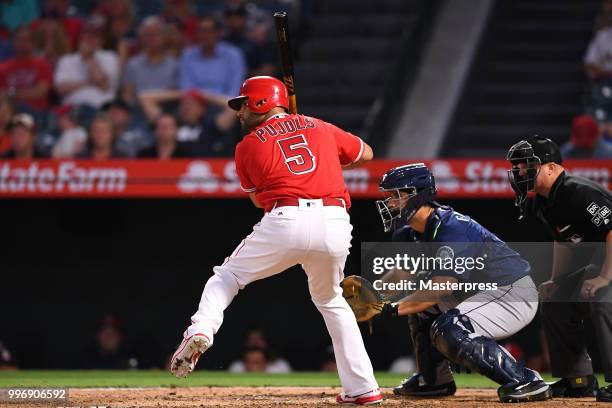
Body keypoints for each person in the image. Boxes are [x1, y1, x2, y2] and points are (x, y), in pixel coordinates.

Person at [170, 76, 382, 405]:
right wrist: (315, 137)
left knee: (227, 276)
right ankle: (363, 389)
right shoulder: (320, 127)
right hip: (335, 222)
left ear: (261, 103)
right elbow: (366, 154)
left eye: (244, 104)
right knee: (332, 301)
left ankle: (201, 330)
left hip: (287, 220)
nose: (240, 112)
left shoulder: (247, 146)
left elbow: (258, 201)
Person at [371, 163, 551, 403]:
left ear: (419, 195)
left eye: (396, 195)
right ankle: (434, 380)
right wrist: (372, 295)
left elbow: (441, 287)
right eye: (388, 196)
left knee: (448, 326)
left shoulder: (451, 227)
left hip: (511, 292)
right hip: (474, 294)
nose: (390, 203)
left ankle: (526, 380)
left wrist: (390, 307)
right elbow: (402, 274)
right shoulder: (407, 233)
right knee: (423, 312)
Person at [506, 136, 612, 402]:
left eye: (528, 164)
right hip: (601, 264)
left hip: (607, 266)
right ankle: (578, 379)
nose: (520, 171)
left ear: (551, 167)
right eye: (517, 166)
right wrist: (557, 280)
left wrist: (604, 277)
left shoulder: (579, 192)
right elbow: (563, 241)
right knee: (555, 298)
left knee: (604, 299)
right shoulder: (544, 201)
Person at [54, 17, 120, 109]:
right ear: (81, 36)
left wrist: (90, 58)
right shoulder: (66, 60)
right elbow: (61, 89)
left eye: (95, 36)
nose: (90, 39)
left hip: (100, 107)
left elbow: (103, 85)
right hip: (72, 108)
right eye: (87, 34)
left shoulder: (110, 57)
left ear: (102, 39)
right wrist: (88, 83)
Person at [179, 16, 246, 98]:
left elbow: (235, 87)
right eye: (201, 31)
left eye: (209, 31)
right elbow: (186, 87)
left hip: (224, 102)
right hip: (196, 103)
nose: (204, 35)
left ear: (218, 32)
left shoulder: (233, 55)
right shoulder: (188, 55)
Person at [122, 17, 178, 104]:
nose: (152, 38)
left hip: (166, 110)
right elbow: (127, 94)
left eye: (156, 34)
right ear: (142, 38)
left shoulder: (174, 66)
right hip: (138, 111)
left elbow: (176, 95)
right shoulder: (133, 64)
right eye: (148, 34)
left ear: (164, 37)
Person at [0, 26, 53, 112]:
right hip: (9, 112)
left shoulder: (43, 64)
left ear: (33, 42)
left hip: (37, 111)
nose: (22, 43)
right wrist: (27, 93)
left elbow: (40, 92)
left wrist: (12, 93)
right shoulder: (2, 67)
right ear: (13, 42)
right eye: (19, 39)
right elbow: (1, 95)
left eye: (26, 40)